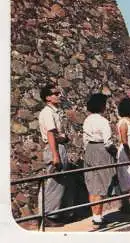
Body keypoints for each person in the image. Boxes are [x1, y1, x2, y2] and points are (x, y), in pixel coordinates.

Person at [37, 83, 73, 227]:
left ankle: (56, 213)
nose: (58, 95)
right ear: (47, 97)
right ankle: (47, 215)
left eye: (58, 93)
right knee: (54, 182)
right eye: (55, 94)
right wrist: (55, 155)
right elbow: (50, 133)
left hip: (59, 146)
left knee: (61, 182)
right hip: (54, 148)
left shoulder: (56, 111)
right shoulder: (47, 112)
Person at [82, 93, 117, 228]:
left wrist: (88, 151)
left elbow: (85, 139)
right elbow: (108, 142)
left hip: (90, 149)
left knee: (92, 183)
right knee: (102, 183)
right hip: (101, 149)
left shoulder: (87, 120)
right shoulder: (103, 121)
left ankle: (96, 216)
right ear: (102, 105)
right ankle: (98, 218)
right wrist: (113, 152)